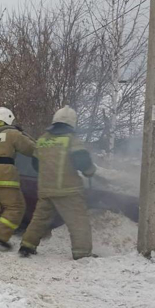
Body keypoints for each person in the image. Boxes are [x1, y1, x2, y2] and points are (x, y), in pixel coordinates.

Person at [19, 106, 96, 260]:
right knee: (78, 222)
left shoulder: (42, 140)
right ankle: (82, 253)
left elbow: (35, 165)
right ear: (72, 122)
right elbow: (83, 163)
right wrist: (90, 171)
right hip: (69, 191)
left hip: (46, 189)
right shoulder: (71, 140)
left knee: (39, 219)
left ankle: (27, 245)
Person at [0, 107, 36, 250]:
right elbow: (31, 149)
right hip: (3, 176)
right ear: (9, 119)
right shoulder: (12, 133)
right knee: (16, 207)